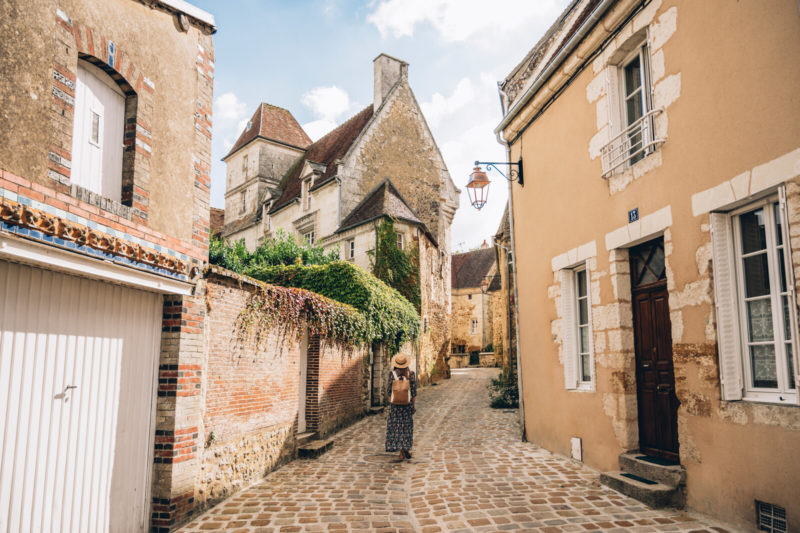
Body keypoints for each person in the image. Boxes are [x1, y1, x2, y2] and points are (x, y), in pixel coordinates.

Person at [385, 353, 416, 461]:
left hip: (395, 406)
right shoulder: (411, 374)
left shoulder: (392, 374)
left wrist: (394, 398)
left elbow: (389, 391)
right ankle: (405, 447)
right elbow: (414, 392)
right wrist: (413, 406)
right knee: (406, 428)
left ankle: (401, 452)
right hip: (407, 405)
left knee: (396, 428)